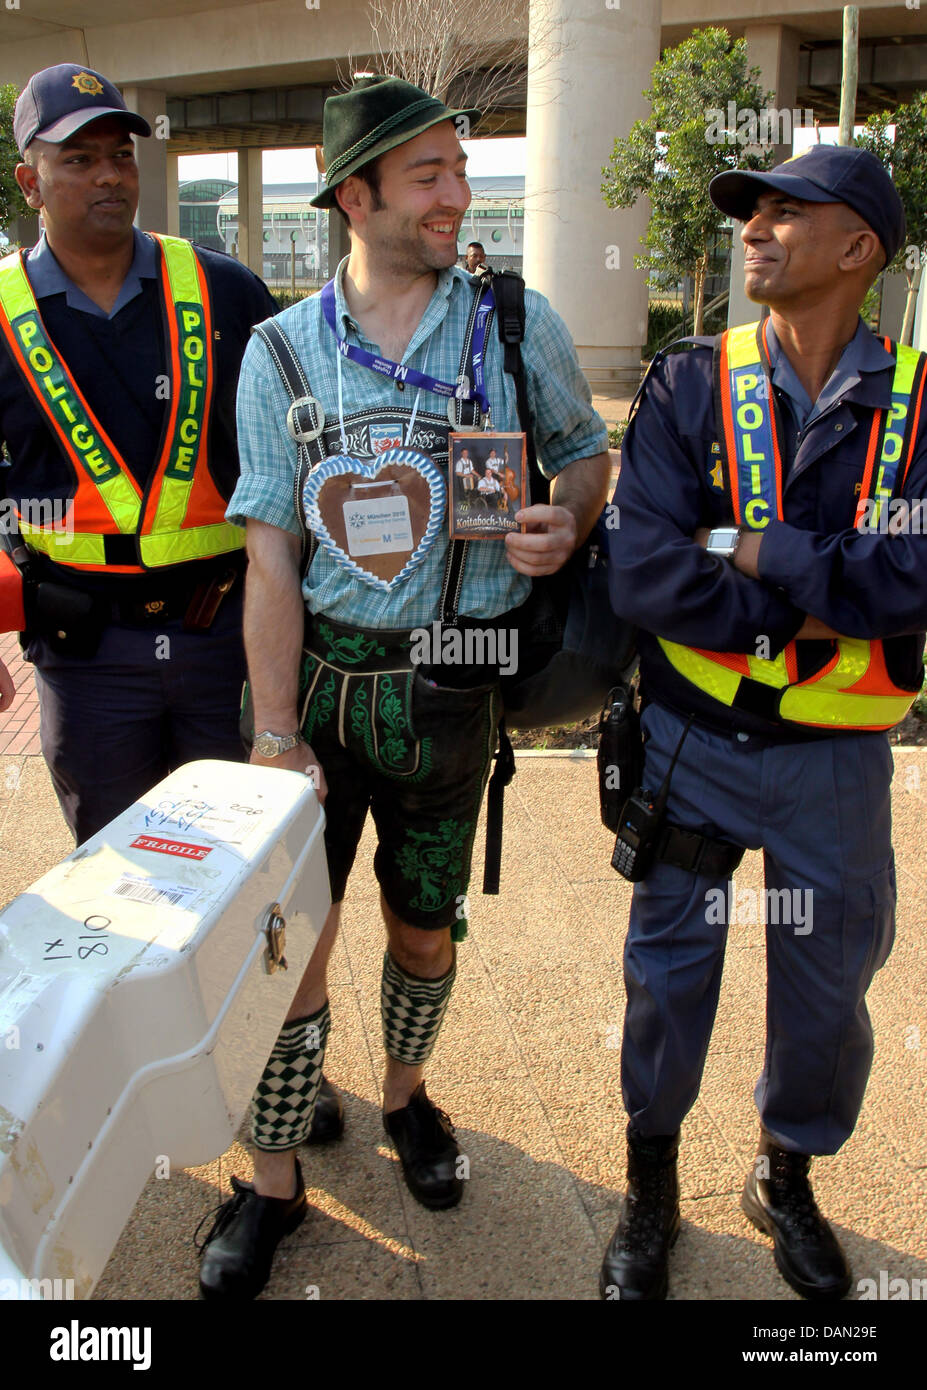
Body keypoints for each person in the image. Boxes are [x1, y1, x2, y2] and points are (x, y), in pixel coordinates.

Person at [196, 73, 610, 1300]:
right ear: (352, 195)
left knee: (424, 929)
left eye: (458, 172)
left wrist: (566, 523)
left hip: (457, 687)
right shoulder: (279, 351)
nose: (455, 195)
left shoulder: (512, 317)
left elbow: (587, 457)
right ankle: (273, 1181)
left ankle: (407, 1098)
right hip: (319, 690)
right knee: (296, 948)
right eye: (425, 175)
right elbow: (269, 552)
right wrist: (274, 733)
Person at [601, 144, 927, 1302]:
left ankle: (785, 1174)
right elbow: (641, 569)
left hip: (837, 765)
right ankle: (650, 1188)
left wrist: (753, 545)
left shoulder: (922, 404)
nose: (755, 228)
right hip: (692, 741)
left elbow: (914, 579)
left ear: (859, 250)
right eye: (751, 210)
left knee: (828, 987)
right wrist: (813, 592)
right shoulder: (689, 383)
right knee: (668, 974)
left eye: (790, 211)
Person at [0, 63, 278, 844]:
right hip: (85, 658)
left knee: (238, 868)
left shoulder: (226, 289)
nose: (109, 176)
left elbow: (292, 449)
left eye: (119, 155)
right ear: (30, 181)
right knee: (117, 883)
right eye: (78, 159)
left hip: (227, 640)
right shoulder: (0, 313)